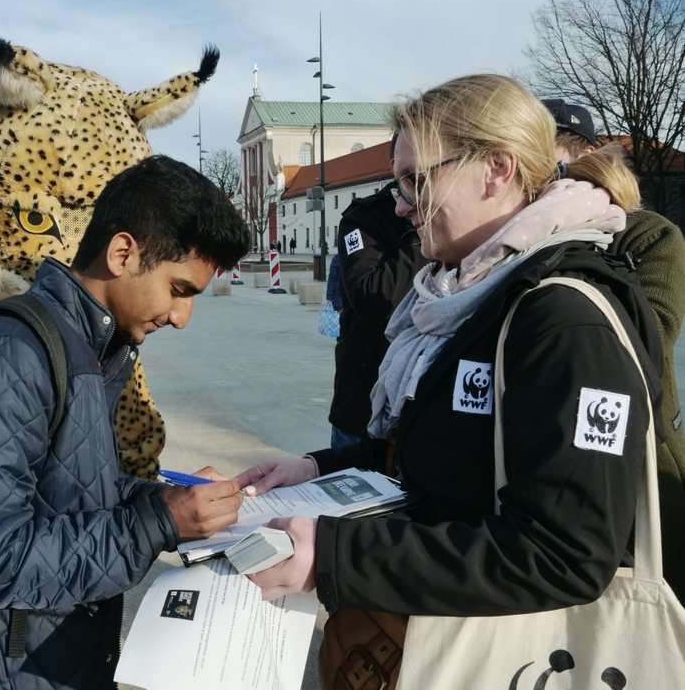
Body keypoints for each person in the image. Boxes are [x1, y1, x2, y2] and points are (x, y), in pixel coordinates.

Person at [236, 75, 662, 680]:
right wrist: (316, 469)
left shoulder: (561, 319)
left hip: (501, 658)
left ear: (497, 170)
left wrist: (332, 557)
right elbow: (442, 459)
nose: (402, 204)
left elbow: (565, 553)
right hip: (420, 633)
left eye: (417, 180)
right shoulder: (461, 298)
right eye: (398, 182)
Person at [0, 155, 251, 690]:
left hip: (44, 658)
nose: (181, 318)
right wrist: (155, 525)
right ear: (123, 252)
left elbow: (61, 492)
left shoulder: (85, 346)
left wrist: (159, 502)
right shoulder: (9, 355)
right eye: (179, 290)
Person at [545, 98, 685, 601]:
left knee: (654, 601)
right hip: (558, 444)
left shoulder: (650, 235)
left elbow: (651, 333)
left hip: (644, 446)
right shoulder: (534, 237)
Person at [329, 181, 428, 451]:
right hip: (363, 399)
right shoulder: (365, 217)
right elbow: (373, 297)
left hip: (423, 408)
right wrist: (420, 234)